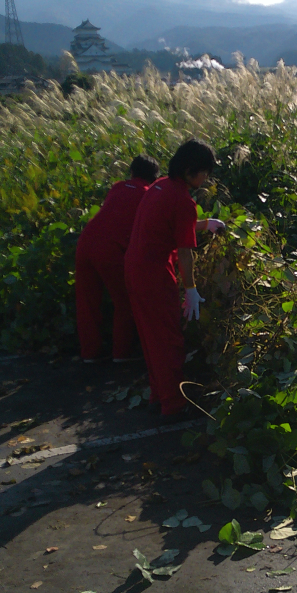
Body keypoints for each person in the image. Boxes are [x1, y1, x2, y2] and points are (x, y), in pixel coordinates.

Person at [124, 139, 225, 419]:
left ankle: (159, 395)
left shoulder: (160, 187)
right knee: (168, 339)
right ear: (192, 170)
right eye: (204, 173)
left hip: (134, 268)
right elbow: (185, 252)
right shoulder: (183, 200)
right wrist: (190, 288)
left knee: (151, 338)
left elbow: (173, 225)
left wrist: (206, 225)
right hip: (154, 275)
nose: (205, 179)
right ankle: (173, 405)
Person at [75, 154, 160, 364]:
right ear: (154, 178)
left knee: (87, 302)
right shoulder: (147, 195)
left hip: (85, 243)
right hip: (110, 250)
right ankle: (121, 353)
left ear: (131, 172)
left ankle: (89, 353)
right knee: (124, 301)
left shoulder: (117, 187)